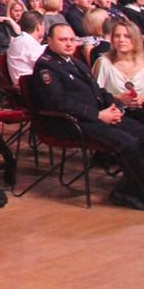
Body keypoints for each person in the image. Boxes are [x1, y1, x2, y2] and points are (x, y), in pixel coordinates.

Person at [32, 23, 144, 209]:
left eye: (71, 39)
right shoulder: (46, 67)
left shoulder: (75, 63)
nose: (69, 44)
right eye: (62, 40)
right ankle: (132, 192)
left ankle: (130, 188)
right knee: (128, 143)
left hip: (94, 117)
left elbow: (97, 92)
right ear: (49, 41)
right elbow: (59, 103)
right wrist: (98, 115)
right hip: (70, 123)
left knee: (141, 132)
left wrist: (114, 106)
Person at [96, 18, 144, 120]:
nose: (121, 40)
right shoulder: (104, 62)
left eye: (127, 36)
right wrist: (118, 98)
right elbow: (95, 94)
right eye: (117, 36)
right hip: (118, 113)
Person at [6, 11, 47, 86]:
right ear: (38, 26)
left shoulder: (19, 40)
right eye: (44, 25)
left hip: (26, 83)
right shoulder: (28, 43)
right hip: (29, 86)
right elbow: (44, 65)